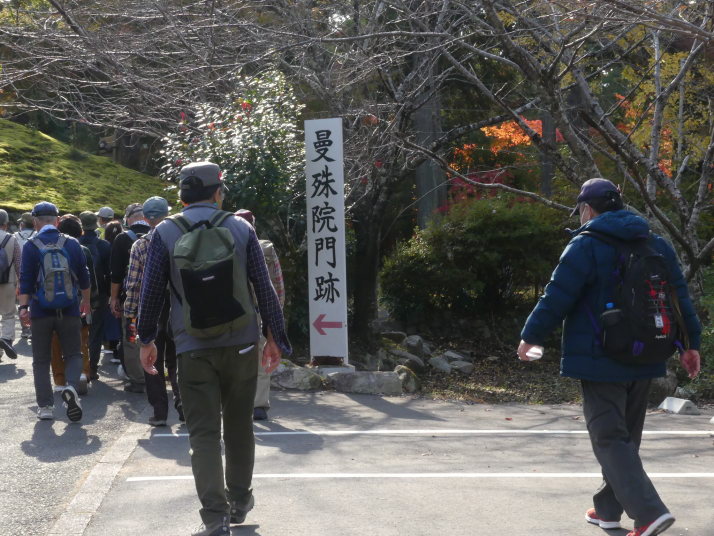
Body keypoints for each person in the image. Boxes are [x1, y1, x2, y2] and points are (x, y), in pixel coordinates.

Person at [517, 178, 702, 536]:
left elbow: (557, 296)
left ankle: (649, 513)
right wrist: (689, 345)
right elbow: (680, 298)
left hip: (601, 357)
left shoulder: (585, 244)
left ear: (587, 209)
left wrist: (530, 336)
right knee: (625, 437)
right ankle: (607, 509)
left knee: (609, 438)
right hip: (648, 352)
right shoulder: (656, 244)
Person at [138, 162, 291, 536]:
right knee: (239, 426)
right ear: (218, 193)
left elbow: (151, 292)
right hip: (241, 343)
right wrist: (275, 337)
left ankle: (215, 518)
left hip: (191, 347)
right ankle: (239, 501)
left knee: (203, 434)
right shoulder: (240, 227)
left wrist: (146, 339)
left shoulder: (164, 232)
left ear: (181, 197)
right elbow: (264, 288)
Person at [19, 202, 91, 422]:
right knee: (73, 354)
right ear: (57, 221)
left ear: (35, 222)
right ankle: (71, 387)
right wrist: (86, 302)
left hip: (40, 311)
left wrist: (23, 308)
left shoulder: (31, 246)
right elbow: (84, 276)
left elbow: (26, 279)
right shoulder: (72, 243)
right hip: (69, 308)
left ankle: (46, 407)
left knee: (41, 360)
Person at [124, 196, 182, 426]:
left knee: (150, 358)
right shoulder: (181, 238)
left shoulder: (140, 245)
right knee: (178, 357)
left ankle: (159, 412)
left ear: (146, 219)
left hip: (150, 306)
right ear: (168, 214)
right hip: (178, 305)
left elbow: (133, 284)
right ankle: (183, 403)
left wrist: (131, 312)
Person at [234, 209, 285, 421]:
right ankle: (259, 405)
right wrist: (277, 312)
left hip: (234, 312)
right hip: (261, 310)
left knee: (233, 357)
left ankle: (236, 402)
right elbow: (278, 284)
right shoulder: (266, 248)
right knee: (262, 356)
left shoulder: (225, 246)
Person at [49, 215, 94, 395]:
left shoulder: (49, 249)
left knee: (55, 342)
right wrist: (90, 301)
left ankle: (60, 380)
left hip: (53, 302)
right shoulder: (84, 250)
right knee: (81, 340)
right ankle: (82, 373)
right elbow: (90, 279)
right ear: (80, 232)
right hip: (78, 301)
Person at [110, 203, 150, 393]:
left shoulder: (122, 238)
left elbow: (116, 274)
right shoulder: (159, 234)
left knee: (132, 337)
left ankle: (138, 380)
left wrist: (114, 298)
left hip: (132, 297)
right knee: (155, 335)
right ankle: (156, 375)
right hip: (158, 298)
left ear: (129, 218)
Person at [79, 211, 112, 381]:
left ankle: (80, 367)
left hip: (78, 294)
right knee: (96, 332)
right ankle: (92, 368)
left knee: (79, 331)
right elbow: (109, 272)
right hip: (100, 294)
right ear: (97, 223)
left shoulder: (74, 243)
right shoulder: (104, 245)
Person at [0, 210, 21, 361]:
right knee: (8, 314)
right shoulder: (11, 239)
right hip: (7, 282)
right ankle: (6, 338)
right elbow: (19, 264)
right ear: (6, 224)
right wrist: (22, 284)